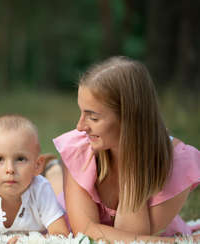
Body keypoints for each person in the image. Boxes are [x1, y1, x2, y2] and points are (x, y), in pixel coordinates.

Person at [45, 56, 200, 243]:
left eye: (93, 118)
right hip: (75, 184)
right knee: (53, 186)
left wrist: (131, 159)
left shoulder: (179, 163)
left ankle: (53, 168)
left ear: (129, 121)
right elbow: (85, 232)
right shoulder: (80, 147)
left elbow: (134, 237)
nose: (80, 126)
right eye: (82, 112)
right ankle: (51, 167)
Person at [0, 115, 69, 243]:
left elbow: (61, 234)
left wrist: (29, 242)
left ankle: (53, 168)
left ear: (37, 165)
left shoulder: (41, 189)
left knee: (63, 194)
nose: (10, 169)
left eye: (20, 159)